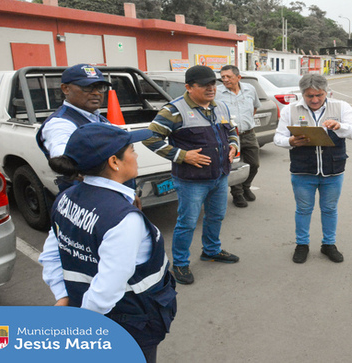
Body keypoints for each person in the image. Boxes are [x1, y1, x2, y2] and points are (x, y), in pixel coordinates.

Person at [39, 123, 177, 363]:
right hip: (130, 319)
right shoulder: (123, 219)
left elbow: (51, 255)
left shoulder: (65, 198)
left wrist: (63, 296)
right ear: (114, 162)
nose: (135, 155)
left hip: (88, 307)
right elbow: (106, 290)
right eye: (132, 150)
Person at [143, 65, 240, 285]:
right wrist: (182, 156)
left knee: (216, 216)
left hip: (219, 176)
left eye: (213, 83)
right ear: (188, 87)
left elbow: (232, 131)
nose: (211, 88)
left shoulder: (221, 106)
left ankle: (211, 250)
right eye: (204, 85)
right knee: (187, 223)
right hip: (192, 181)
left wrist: (233, 146)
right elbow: (150, 138)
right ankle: (180, 264)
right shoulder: (173, 111)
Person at [273, 74, 352, 264]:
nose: (315, 100)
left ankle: (328, 244)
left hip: (333, 170)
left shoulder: (341, 107)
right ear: (302, 94)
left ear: (326, 92)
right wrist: (290, 141)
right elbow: (278, 138)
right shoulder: (290, 109)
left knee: (329, 209)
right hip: (302, 171)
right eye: (309, 96)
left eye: (319, 95)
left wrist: (340, 126)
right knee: (303, 209)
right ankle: (302, 244)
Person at [36, 63, 112, 192]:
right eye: (87, 87)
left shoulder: (96, 117)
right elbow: (62, 155)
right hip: (87, 196)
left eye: (100, 87)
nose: (96, 93)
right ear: (66, 89)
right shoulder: (60, 123)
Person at [216, 65, 262, 208]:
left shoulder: (249, 89)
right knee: (234, 165)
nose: (225, 79)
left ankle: (246, 186)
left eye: (228, 76)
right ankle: (237, 194)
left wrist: (245, 123)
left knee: (254, 164)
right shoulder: (217, 93)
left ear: (238, 77)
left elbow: (254, 107)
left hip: (248, 133)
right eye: (223, 77)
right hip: (229, 135)